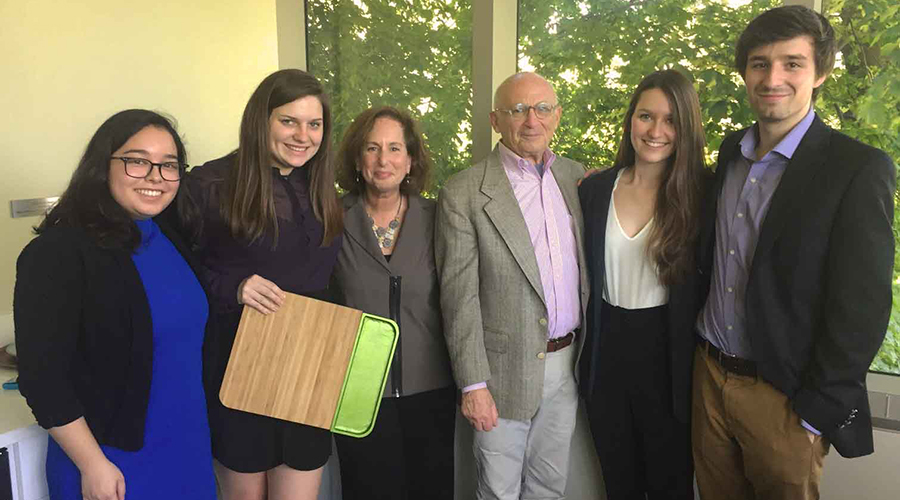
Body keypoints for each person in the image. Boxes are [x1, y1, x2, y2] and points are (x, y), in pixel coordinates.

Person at [691, 6, 895, 499]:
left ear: (820, 73)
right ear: (745, 73)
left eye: (792, 63)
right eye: (759, 63)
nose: (772, 77)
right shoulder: (729, 153)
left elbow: (863, 306)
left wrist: (816, 409)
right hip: (710, 378)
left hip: (782, 397)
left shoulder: (857, 168)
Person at [14, 109, 216, 500]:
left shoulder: (171, 236)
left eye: (169, 165)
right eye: (138, 161)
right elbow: (43, 380)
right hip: (111, 462)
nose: (156, 176)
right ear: (102, 165)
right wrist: (92, 464)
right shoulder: (57, 253)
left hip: (187, 449)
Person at [183, 69, 343, 500]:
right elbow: (172, 272)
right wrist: (231, 286)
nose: (303, 135)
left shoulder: (323, 188)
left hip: (309, 373)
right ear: (261, 120)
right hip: (239, 370)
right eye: (288, 121)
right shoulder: (208, 184)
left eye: (314, 124)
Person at [435, 72, 589, 500]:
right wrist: (473, 385)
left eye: (542, 108)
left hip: (566, 364)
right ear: (495, 120)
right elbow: (458, 297)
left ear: (556, 115)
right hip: (499, 374)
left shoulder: (578, 180)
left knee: (549, 486)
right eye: (517, 110)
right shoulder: (464, 192)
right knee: (497, 491)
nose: (531, 121)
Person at [578, 69, 707, 499]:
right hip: (604, 356)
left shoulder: (704, 195)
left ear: (685, 128)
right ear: (630, 120)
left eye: (670, 120)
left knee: (671, 486)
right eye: (645, 116)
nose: (655, 131)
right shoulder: (594, 190)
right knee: (619, 484)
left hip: (669, 359)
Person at [330, 106, 455, 500]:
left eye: (395, 148)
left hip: (431, 386)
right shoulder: (331, 219)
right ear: (356, 158)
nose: (383, 160)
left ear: (411, 159)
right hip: (356, 389)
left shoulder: (438, 218)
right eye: (372, 148)